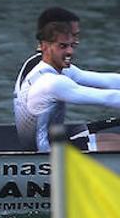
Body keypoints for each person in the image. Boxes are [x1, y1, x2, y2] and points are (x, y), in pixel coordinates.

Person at [13, 18, 120, 153]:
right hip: (46, 154)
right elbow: (108, 98)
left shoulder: (36, 63)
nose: (70, 52)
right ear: (44, 46)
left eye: (72, 46)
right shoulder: (51, 83)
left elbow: (106, 81)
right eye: (62, 46)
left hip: (55, 139)